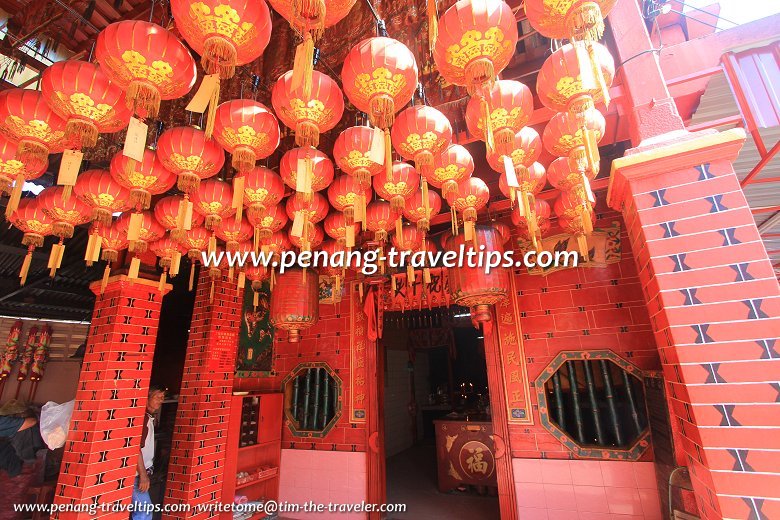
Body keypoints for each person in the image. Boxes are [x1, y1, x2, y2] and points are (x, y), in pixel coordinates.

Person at [132, 385, 165, 520]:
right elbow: (135, 448)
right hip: (136, 475)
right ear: (147, 397)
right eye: (157, 397)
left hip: (140, 473)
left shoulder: (148, 417)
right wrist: (143, 475)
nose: (161, 400)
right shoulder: (143, 419)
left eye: (163, 397)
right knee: (144, 512)